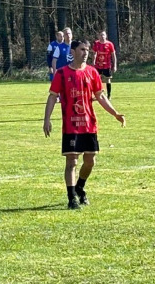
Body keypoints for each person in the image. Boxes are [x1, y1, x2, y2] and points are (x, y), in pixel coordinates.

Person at [44, 39, 126, 210]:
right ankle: (71, 196)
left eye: (87, 50)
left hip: (89, 125)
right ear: (72, 52)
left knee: (90, 161)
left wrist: (115, 113)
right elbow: (52, 96)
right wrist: (47, 119)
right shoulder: (62, 73)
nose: (86, 53)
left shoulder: (93, 72)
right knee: (72, 161)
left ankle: (80, 187)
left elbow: (101, 97)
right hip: (71, 125)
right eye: (82, 49)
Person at [92, 30, 117, 97]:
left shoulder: (110, 44)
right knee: (97, 79)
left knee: (108, 79)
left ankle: (109, 95)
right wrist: (93, 62)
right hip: (98, 65)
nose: (102, 36)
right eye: (101, 35)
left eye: (103, 35)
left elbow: (113, 55)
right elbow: (94, 54)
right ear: (98, 36)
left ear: (106, 36)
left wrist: (115, 65)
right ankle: (98, 94)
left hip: (107, 65)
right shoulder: (96, 44)